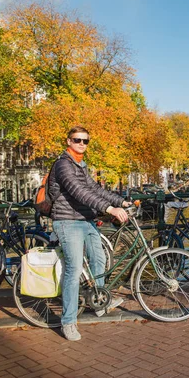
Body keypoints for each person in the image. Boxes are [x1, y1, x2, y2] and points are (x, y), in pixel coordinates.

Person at [49, 126, 130, 341]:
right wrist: (110, 209)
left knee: (99, 258)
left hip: (86, 220)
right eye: (77, 140)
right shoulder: (63, 165)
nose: (82, 144)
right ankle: (68, 322)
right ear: (69, 141)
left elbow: (95, 189)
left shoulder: (81, 165)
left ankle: (99, 302)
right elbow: (80, 192)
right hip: (67, 222)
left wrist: (120, 201)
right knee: (73, 270)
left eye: (85, 141)